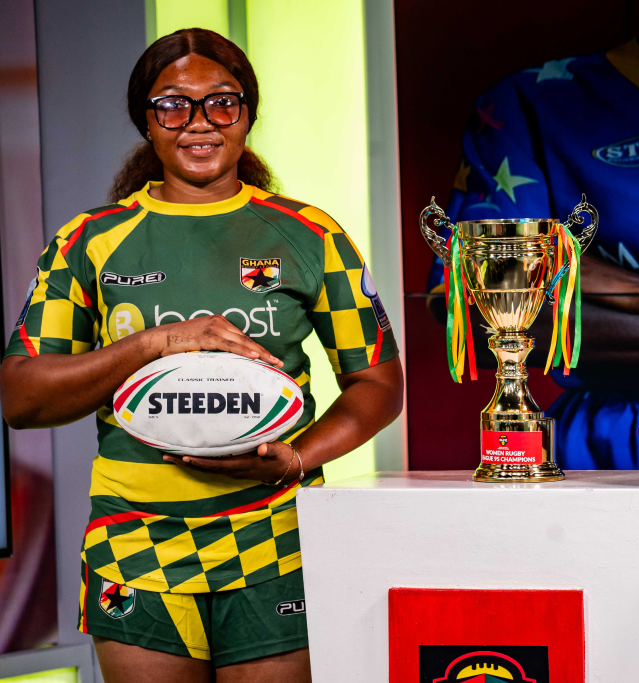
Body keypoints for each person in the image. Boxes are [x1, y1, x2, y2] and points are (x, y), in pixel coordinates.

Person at [0, 29, 402, 683]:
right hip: (135, 540)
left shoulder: (309, 234)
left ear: (247, 113)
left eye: (222, 101)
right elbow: (20, 396)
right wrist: (157, 341)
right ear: (146, 120)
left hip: (276, 531)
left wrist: (299, 456)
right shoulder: (89, 241)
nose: (199, 122)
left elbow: (379, 382)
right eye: (172, 104)